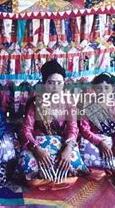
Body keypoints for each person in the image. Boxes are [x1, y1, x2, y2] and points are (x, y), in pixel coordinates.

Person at [19, 60, 87, 190]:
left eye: (59, 83)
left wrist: (67, 148)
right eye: (51, 83)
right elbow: (26, 130)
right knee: (26, 166)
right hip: (38, 144)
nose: (55, 87)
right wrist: (35, 149)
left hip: (62, 143)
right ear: (44, 83)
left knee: (72, 161)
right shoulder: (35, 103)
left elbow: (73, 128)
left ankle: (48, 176)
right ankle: (57, 176)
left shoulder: (69, 102)